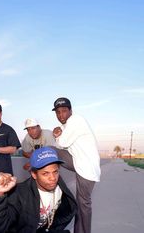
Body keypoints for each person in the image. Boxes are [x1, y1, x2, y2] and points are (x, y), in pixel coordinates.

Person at [0, 146, 77, 233]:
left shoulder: (61, 189)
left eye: (55, 172)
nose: (53, 178)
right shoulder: (19, 195)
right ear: (34, 174)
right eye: (45, 173)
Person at [52, 97, 100, 233]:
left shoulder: (75, 120)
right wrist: (58, 134)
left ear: (70, 111)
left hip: (87, 168)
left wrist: (57, 135)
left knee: (83, 204)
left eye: (64, 111)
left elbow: (62, 143)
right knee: (52, 150)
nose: (61, 115)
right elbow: (61, 145)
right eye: (58, 112)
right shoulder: (66, 125)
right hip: (78, 162)